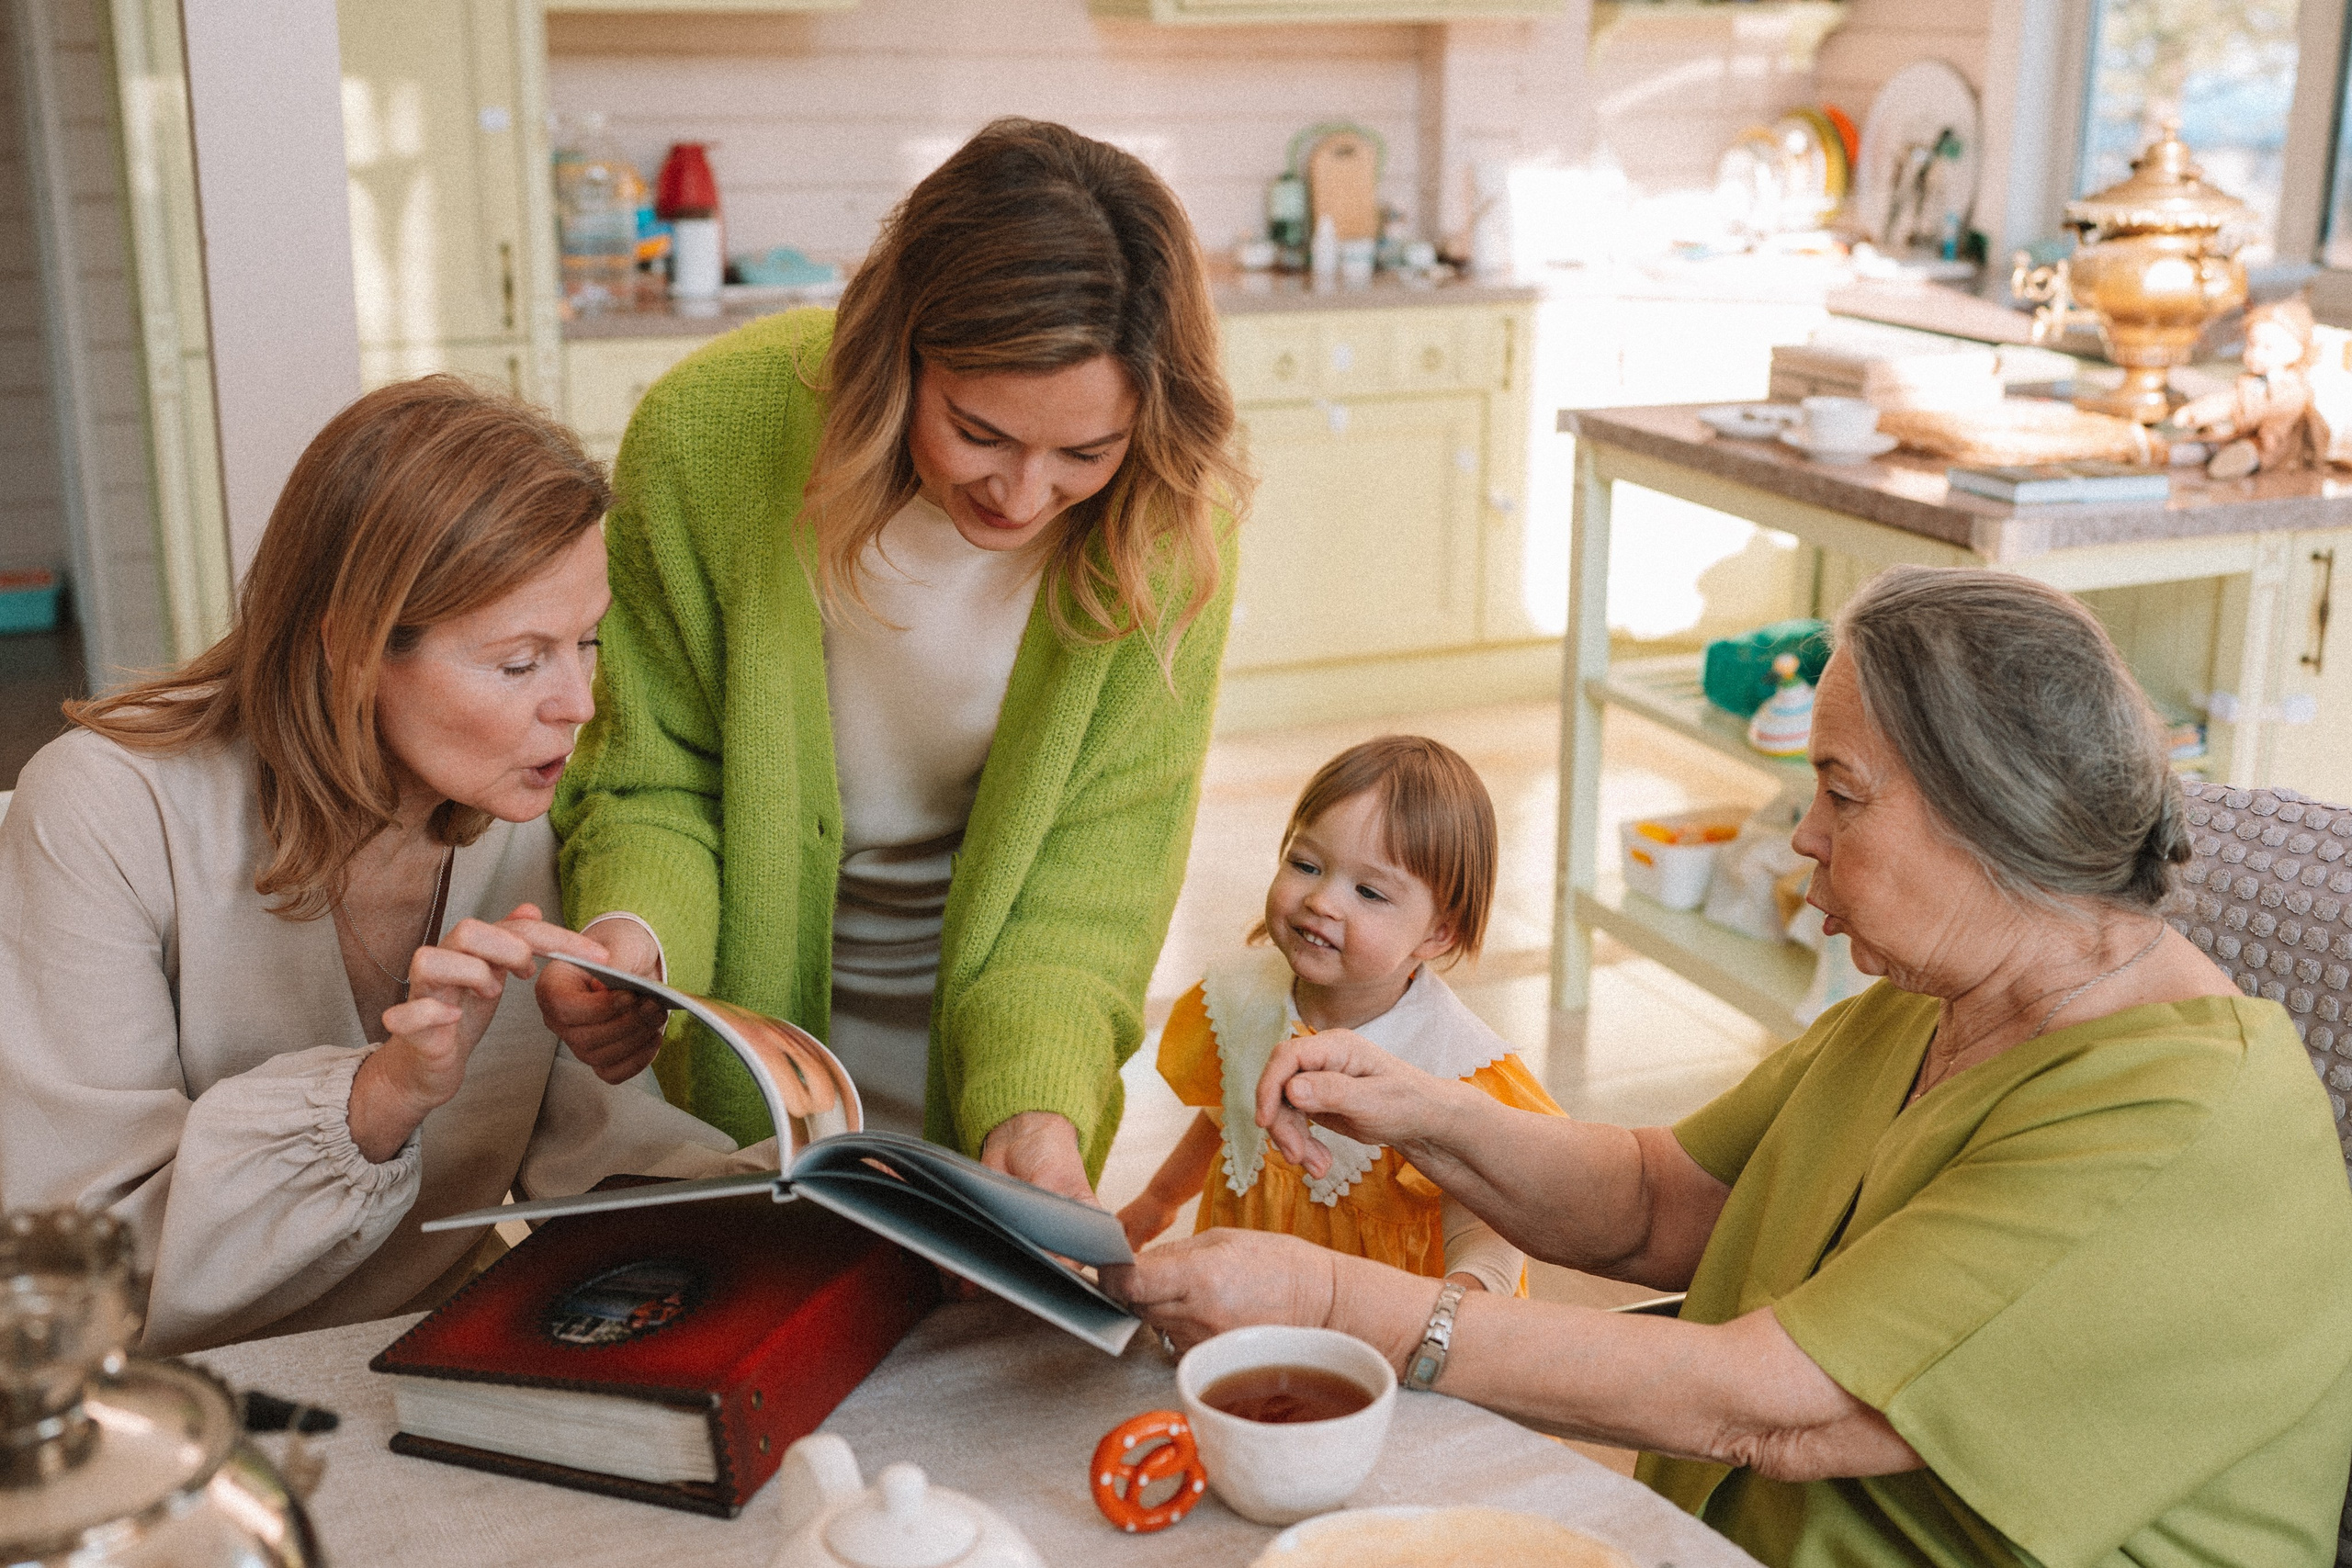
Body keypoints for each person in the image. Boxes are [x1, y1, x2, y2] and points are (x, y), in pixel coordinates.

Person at [1112, 566, 2352, 1568]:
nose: (1804, 832)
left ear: (1990, 814)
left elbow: (1768, 1403)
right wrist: (1418, 1107)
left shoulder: (2182, 1118)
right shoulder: (1933, 1002)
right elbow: (1663, 1198)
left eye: (1840, 791)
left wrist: (1333, 1306)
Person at [540, 118, 1246, 1203]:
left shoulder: (1164, 531)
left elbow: (1093, 888)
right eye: (980, 431)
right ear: (894, 348)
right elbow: (652, 777)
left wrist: (1038, 1108)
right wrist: (631, 936)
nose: (1021, 497)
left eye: (1083, 454)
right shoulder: (710, 437)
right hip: (741, 1066)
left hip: (995, 1069)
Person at [0, 377, 760, 1356]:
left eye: (587, 643)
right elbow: (75, 1273)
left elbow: (590, 1154)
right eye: (521, 662)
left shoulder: (517, 804)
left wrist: (818, 1203)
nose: (577, 703)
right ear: (352, 651)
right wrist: (377, 1100)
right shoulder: (105, 808)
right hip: (172, 1408)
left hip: (433, 1357)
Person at [1116, 736, 1562, 1296]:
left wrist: (1468, 1296)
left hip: (1378, 1307)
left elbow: (1488, 1211)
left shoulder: (1454, 1065)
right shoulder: (1241, 998)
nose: (1322, 901)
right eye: (1306, 864)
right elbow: (1225, 1116)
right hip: (1254, 1279)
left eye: (1369, 892)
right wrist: (1159, 1200)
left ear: (1438, 932)